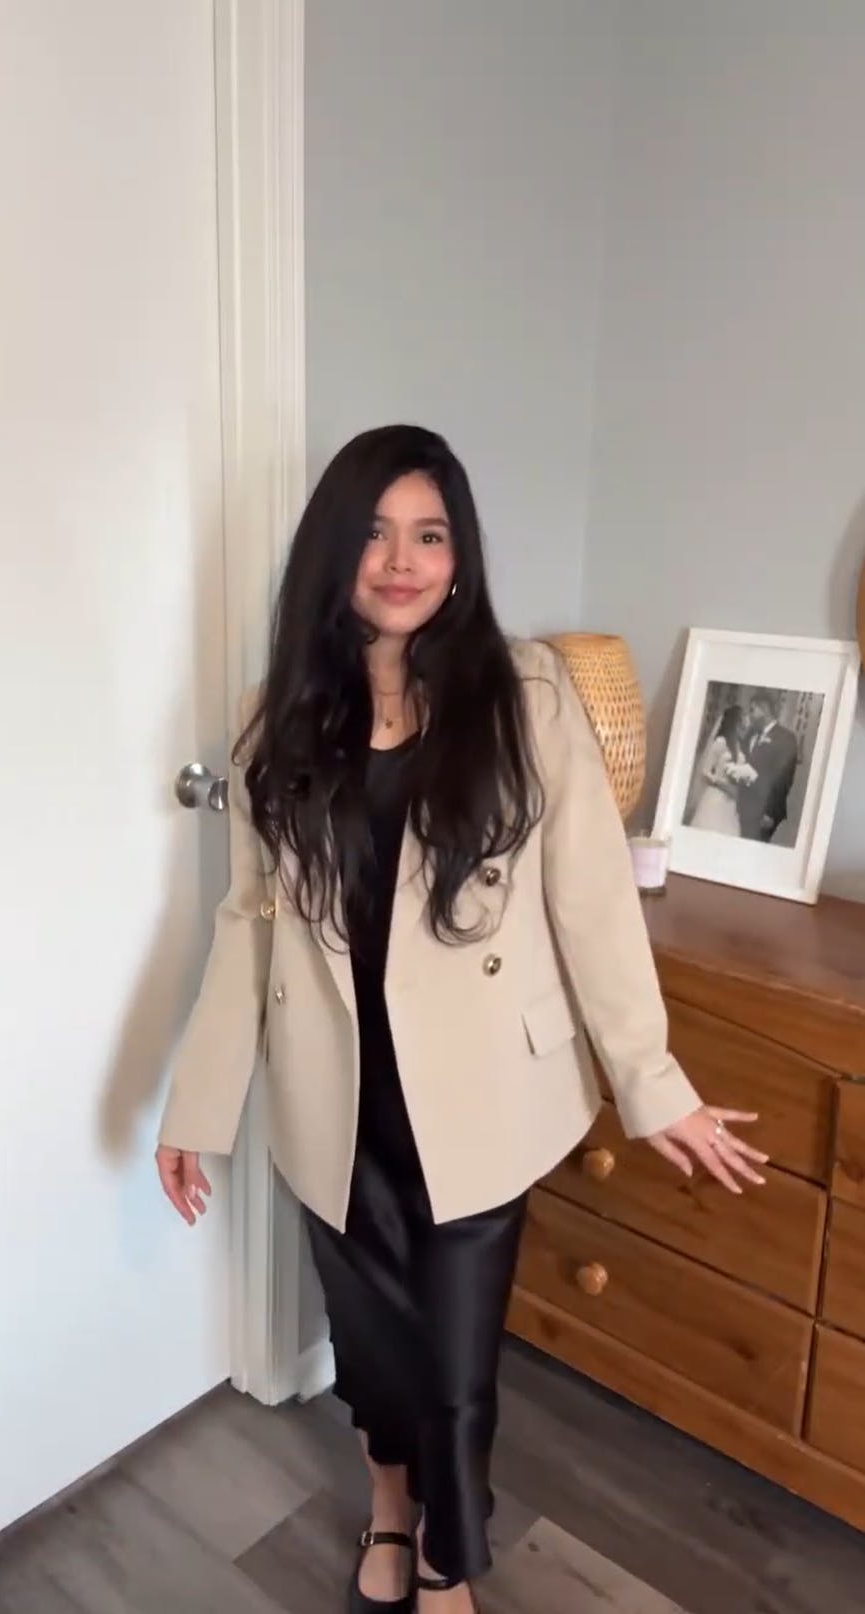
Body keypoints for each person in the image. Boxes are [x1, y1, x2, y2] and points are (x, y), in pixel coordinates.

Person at [155, 426, 767, 1614]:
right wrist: (198, 1107)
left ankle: (448, 1560)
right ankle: (389, 1509)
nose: (402, 561)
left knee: (453, 1365)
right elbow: (249, 924)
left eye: (429, 535)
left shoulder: (524, 693)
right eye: (376, 534)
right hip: (335, 1097)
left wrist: (653, 1083)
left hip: (479, 1096)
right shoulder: (271, 721)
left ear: (459, 554)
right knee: (371, 1347)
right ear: (334, 551)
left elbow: (592, 901)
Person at [731, 689, 798, 842]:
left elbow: (784, 779)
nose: (749, 714)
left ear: (764, 709)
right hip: (744, 805)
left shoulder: (786, 738)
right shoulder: (751, 734)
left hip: (763, 810)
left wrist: (770, 812)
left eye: (752, 710)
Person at [688, 704, 747, 835]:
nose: (746, 720)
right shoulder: (721, 742)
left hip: (731, 802)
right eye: (743, 717)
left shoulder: (739, 745)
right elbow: (705, 771)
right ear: (735, 721)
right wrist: (720, 783)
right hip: (717, 797)